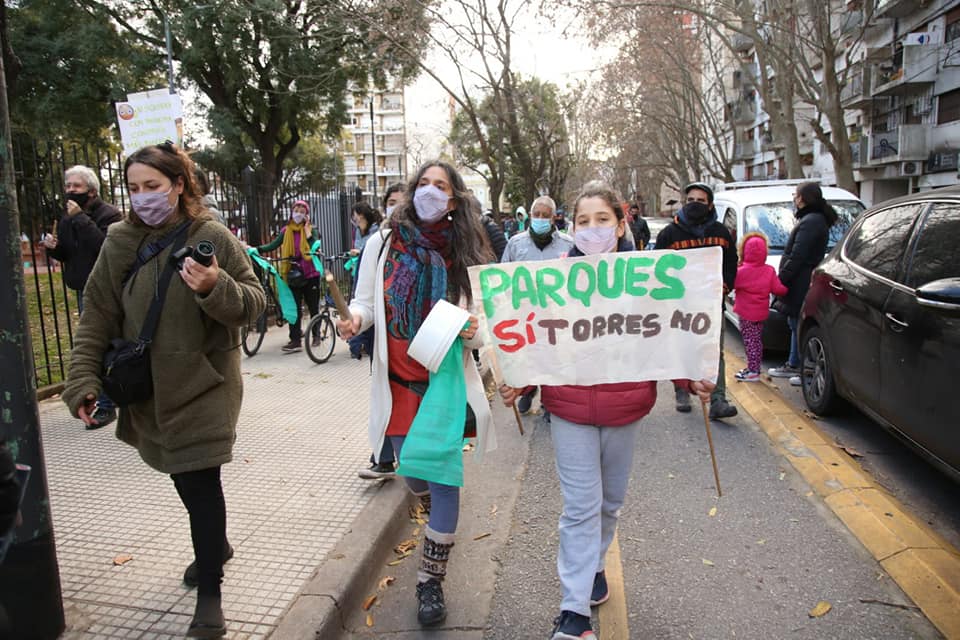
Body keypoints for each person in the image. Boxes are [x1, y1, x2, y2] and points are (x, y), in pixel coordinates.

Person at [60, 143, 266, 638]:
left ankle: (210, 593)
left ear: (178, 184)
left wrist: (213, 285)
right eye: (134, 188)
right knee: (182, 477)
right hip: (149, 389)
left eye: (152, 186)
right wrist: (82, 382)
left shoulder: (210, 235)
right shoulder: (119, 241)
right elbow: (96, 315)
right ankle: (215, 547)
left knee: (200, 482)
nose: (143, 196)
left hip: (205, 385)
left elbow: (254, 302)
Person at [498, 181, 715, 640]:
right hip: (569, 409)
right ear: (571, 227)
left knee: (609, 504)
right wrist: (519, 379)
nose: (592, 229)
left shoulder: (647, 279)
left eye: (602, 220)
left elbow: (668, 335)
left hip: (625, 409)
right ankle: (573, 612)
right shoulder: (553, 281)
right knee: (581, 507)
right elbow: (538, 336)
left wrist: (691, 378)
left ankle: (594, 565)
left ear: (620, 225)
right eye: (583, 221)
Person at [337, 161, 495, 626]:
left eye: (440, 185)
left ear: (454, 198)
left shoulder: (467, 250)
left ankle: (430, 581)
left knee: (444, 481)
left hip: (443, 382)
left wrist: (473, 331)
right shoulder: (383, 242)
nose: (430, 191)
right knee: (413, 473)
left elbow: (484, 324)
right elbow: (365, 301)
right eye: (423, 183)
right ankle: (432, 513)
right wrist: (355, 320)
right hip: (397, 382)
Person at [43, 165, 122, 429]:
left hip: (105, 289)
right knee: (96, 344)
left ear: (91, 190)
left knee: (102, 344)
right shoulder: (68, 218)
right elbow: (70, 253)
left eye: (76, 186)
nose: (70, 190)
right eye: (68, 185)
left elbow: (104, 247)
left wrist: (80, 219)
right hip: (82, 287)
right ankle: (105, 398)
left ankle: (107, 404)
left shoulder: (109, 214)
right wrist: (54, 249)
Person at [655, 182, 739, 420]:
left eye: (700, 201)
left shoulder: (721, 233)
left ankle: (718, 399)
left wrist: (724, 287)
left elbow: (731, 263)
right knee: (683, 348)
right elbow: (657, 267)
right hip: (680, 307)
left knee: (713, 352)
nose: (695, 204)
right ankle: (682, 391)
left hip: (712, 306)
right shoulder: (669, 234)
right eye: (690, 200)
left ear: (710, 205)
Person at [500, 194, 574, 414]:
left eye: (545, 215)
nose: (540, 218)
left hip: (556, 315)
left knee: (553, 357)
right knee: (530, 356)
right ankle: (529, 390)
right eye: (536, 214)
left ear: (553, 218)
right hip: (526, 314)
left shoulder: (568, 244)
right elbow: (504, 277)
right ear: (530, 216)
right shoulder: (515, 244)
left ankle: (549, 402)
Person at [768, 182, 838, 386]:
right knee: (794, 323)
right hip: (801, 279)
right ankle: (794, 364)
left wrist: (781, 279)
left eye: (796, 195)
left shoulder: (811, 222)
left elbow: (797, 256)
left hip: (800, 281)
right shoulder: (814, 219)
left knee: (798, 324)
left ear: (802, 198)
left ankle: (801, 368)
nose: (794, 199)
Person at [253, 200, 321, 352]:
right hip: (293, 273)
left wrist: (308, 233)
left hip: (310, 274)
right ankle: (295, 340)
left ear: (307, 215)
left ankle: (316, 335)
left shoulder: (312, 230)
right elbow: (273, 245)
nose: (298, 214)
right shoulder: (286, 231)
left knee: (313, 307)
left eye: (302, 212)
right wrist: (256, 250)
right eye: (296, 210)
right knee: (293, 307)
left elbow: (315, 247)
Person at [733, 233, 788, 382]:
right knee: (756, 340)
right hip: (761, 313)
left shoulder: (741, 272)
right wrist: (788, 289)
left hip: (746, 314)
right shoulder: (769, 270)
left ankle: (753, 371)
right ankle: (753, 368)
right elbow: (778, 289)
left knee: (750, 341)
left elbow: (730, 285)